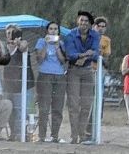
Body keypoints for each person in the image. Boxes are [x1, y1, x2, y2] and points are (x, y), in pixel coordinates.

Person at [63, 10, 100, 144]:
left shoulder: (95, 35)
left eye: (86, 21)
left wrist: (81, 57)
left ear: (90, 24)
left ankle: (82, 134)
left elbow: (96, 53)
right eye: (81, 20)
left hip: (88, 70)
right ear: (77, 21)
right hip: (73, 70)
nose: (84, 23)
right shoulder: (70, 35)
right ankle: (74, 136)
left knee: (86, 104)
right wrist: (85, 55)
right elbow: (70, 54)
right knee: (73, 105)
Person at [34, 21, 67, 143]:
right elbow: (39, 59)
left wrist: (57, 46)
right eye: (51, 29)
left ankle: (55, 135)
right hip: (45, 75)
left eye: (55, 29)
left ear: (58, 31)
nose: (53, 31)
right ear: (47, 31)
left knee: (58, 107)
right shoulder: (41, 42)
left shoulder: (62, 43)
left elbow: (63, 60)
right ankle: (41, 136)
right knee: (44, 107)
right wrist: (47, 45)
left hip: (59, 76)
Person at [2, 24, 35, 141]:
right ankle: (13, 134)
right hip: (9, 86)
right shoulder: (3, 48)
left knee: (21, 111)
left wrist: (18, 42)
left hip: (24, 86)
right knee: (11, 111)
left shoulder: (22, 45)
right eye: (8, 33)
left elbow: (24, 47)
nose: (10, 35)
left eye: (12, 33)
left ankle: (21, 135)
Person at [84, 16, 111, 140]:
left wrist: (99, 54)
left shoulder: (106, 40)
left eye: (103, 27)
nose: (100, 29)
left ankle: (93, 130)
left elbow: (106, 57)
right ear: (94, 26)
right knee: (87, 101)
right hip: (88, 69)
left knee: (98, 100)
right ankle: (84, 131)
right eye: (98, 26)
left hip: (100, 71)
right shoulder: (87, 37)